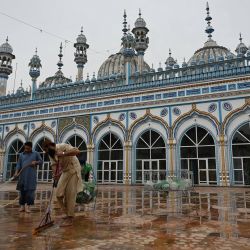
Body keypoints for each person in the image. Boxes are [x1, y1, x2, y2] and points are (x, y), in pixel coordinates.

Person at [42, 139, 83, 227]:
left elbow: (77, 151)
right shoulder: (50, 154)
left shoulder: (62, 146)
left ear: (50, 146)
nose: (46, 152)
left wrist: (63, 153)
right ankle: (67, 212)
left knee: (70, 194)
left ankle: (70, 217)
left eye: (47, 150)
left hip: (74, 169)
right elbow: (54, 166)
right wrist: (55, 175)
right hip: (65, 171)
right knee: (58, 194)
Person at [14, 141, 43, 213]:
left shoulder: (36, 153)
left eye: (27, 148)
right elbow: (18, 165)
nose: (26, 150)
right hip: (22, 176)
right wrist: (16, 173)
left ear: (31, 148)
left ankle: (28, 207)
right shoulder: (21, 155)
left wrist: (35, 162)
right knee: (22, 191)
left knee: (30, 192)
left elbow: (41, 161)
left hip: (31, 176)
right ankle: (22, 206)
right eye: (25, 148)